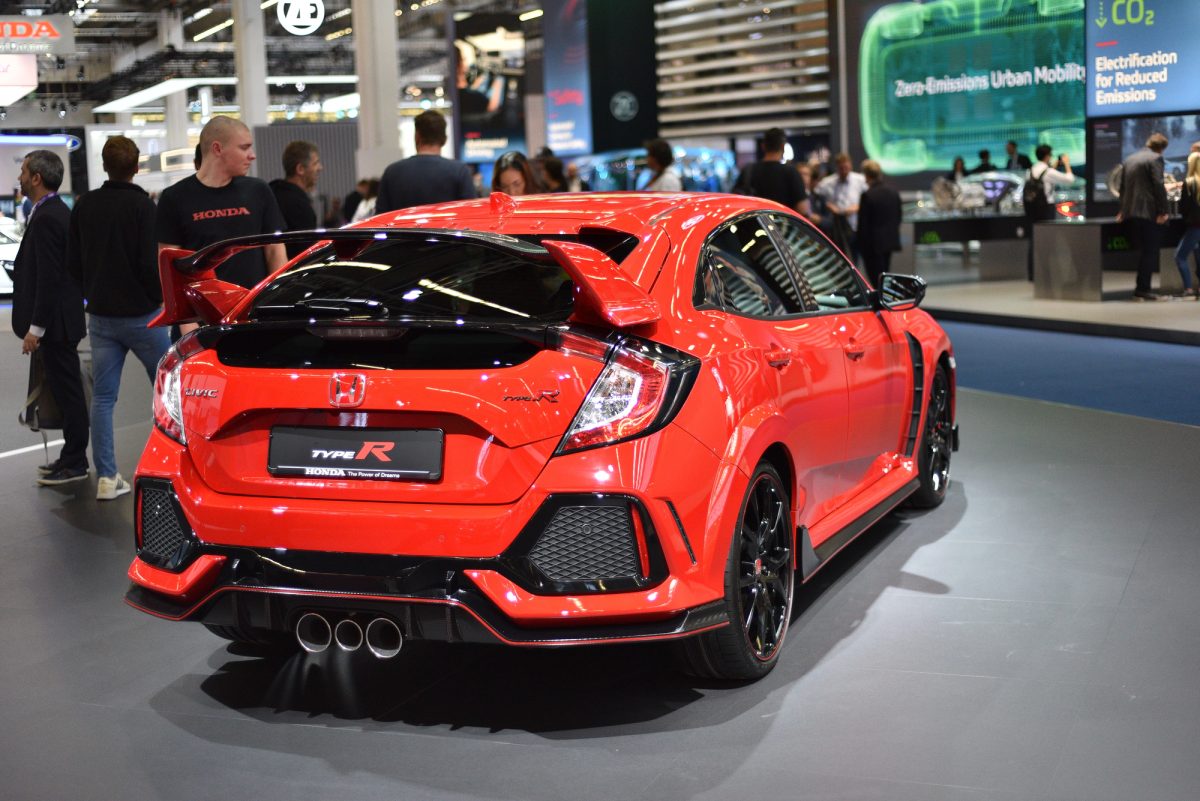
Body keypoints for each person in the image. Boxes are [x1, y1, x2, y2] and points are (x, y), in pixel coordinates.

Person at [66, 136, 170, 500]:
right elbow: (149, 263)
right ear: (137, 167)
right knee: (167, 392)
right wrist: (158, 299)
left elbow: (73, 262)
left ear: (104, 165)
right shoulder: (143, 207)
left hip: (101, 317)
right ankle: (170, 469)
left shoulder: (84, 205)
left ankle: (107, 477)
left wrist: (92, 291)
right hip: (144, 317)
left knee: (103, 398)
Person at [11, 150, 90, 486]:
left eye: (23, 172)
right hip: (60, 322)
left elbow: (50, 278)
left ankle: (76, 462)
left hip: (56, 324)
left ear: (36, 178)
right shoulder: (53, 212)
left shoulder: (47, 217)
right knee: (64, 390)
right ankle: (71, 456)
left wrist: (35, 329)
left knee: (69, 393)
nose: (19, 178)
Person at [157, 115, 286, 295]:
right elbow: (168, 266)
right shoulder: (174, 197)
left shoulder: (258, 190)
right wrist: (182, 312)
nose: (252, 155)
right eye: (244, 148)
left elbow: (275, 251)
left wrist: (278, 296)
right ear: (217, 148)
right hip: (202, 308)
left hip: (252, 305)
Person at [375, 110, 476, 212]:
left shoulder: (392, 172)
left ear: (417, 137)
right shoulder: (460, 171)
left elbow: (380, 216)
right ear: (445, 139)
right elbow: (470, 213)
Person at [1117, 132, 1170, 301]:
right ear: (1161, 148)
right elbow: (1158, 185)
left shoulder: (1129, 159)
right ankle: (1143, 289)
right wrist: (1163, 211)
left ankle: (1141, 288)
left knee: (1143, 251)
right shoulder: (1155, 159)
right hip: (1148, 212)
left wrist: (1122, 210)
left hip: (1130, 212)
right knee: (1150, 251)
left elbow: (1122, 187)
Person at [733, 127, 810, 216]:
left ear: (763, 146)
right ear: (783, 147)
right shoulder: (791, 172)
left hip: (754, 223)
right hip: (781, 223)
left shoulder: (748, 170)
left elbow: (736, 201)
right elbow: (803, 209)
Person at [1024, 144, 1074, 280]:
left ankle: (1033, 273)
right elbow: (1070, 180)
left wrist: (1053, 167)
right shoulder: (1048, 172)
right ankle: (1046, 272)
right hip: (1046, 209)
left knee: (1034, 240)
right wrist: (1067, 164)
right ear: (1047, 156)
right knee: (1047, 240)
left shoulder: (1030, 170)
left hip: (1032, 209)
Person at [269, 140, 322, 259]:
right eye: (315, 163)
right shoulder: (299, 205)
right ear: (300, 169)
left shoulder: (272, 193)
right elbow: (306, 254)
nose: (320, 168)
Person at [856, 159, 902, 286]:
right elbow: (898, 217)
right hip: (889, 242)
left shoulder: (868, 195)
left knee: (875, 281)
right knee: (885, 276)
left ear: (866, 175)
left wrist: (861, 245)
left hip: (872, 246)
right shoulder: (893, 192)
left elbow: (863, 225)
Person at [815, 152, 868, 257]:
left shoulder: (860, 180)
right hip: (836, 227)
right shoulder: (827, 182)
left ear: (850, 165)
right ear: (837, 167)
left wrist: (858, 207)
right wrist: (828, 205)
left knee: (855, 256)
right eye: (841, 168)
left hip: (855, 225)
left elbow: (869, 198)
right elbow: (815, 196)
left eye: (846, 167)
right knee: (839, 256)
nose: (844, 171)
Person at [1173, 151, 1200, 298]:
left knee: (1180, 257)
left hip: (1195, 227)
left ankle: (1188, 289)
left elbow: (1183, 208)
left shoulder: (1189, 184)